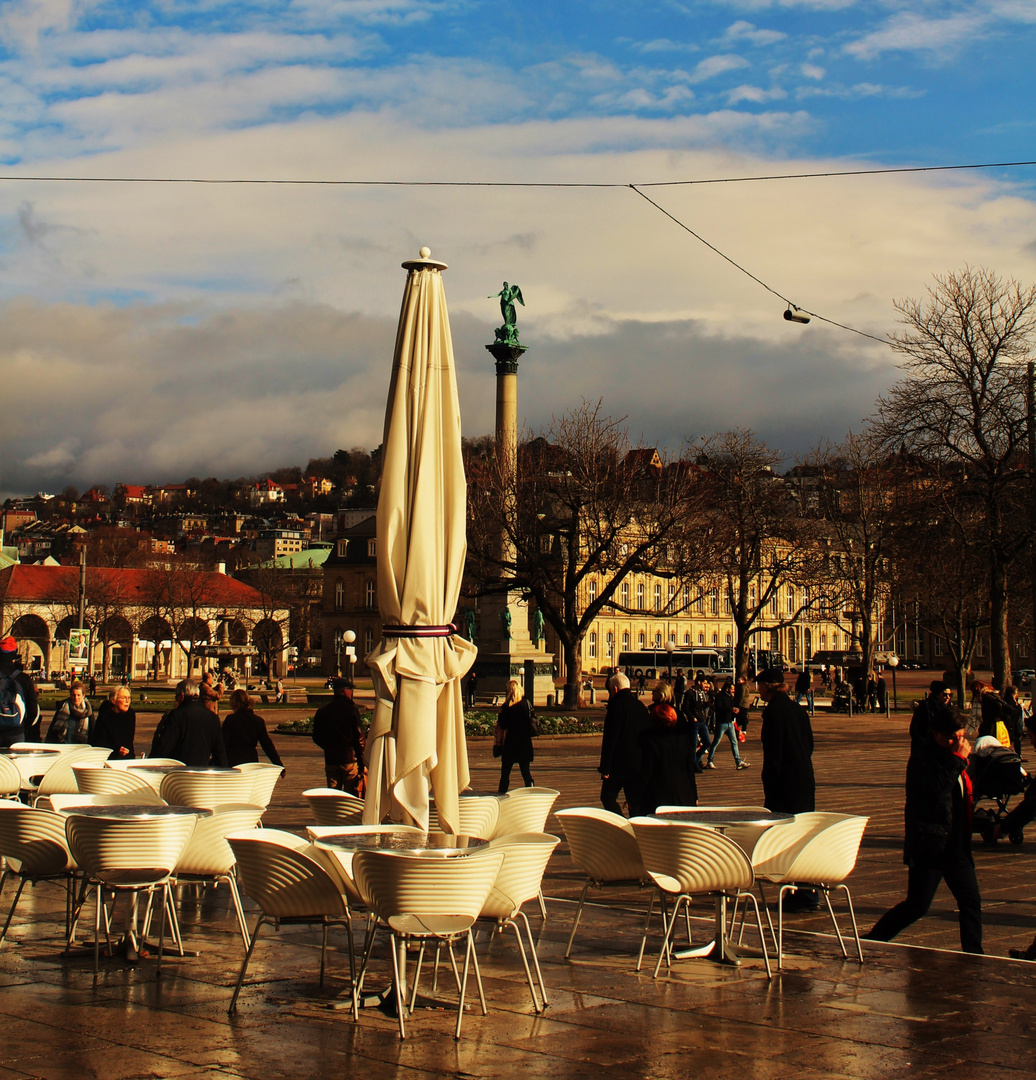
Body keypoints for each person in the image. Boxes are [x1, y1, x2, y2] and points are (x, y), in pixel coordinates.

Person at [865, 704, 982, 954]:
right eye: (951, 736)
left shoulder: (956, 758)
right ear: (936, 733)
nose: (957, 741)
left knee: (971, 901)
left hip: (956, 844)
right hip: (931, 844)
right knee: (917, 905)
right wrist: (957, 760)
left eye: (961, 736)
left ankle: (974, 953)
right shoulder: (924, 758)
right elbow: (935, 792)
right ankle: (873, 938)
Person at [598, 672, 651, 816]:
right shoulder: (640, 706)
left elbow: (610, 739)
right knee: (634, 800)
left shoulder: (616, 707)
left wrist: (605, 768)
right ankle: (637, 827)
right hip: (638, 763)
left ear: (615, 689)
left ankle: (621, 824)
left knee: (607, 797)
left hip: (619, 764)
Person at [640, 681, 698, 812]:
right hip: (683, 791)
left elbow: (646, 771)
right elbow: (689, 767)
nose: (652, 693)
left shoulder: (650, 736)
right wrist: (694, 794)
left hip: (659, 794)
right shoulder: (681, 729)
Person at [154, 678, 228, 767]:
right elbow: (220, 754)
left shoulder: (177, 715)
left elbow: (163, 749)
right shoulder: (213, 717)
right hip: (203, 773)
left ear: (181, 696)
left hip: (180, 774)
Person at [311, 679, 366, 794]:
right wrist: (362, 762)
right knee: (350, 795)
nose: (351, 693)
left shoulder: (323, 711)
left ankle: (334, 811)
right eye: (351, 690)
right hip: (349, 760)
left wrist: (329, 747)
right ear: (345, 691)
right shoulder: (352, 711)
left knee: (333, 795)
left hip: (331, 760)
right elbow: (359, 739)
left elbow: (316, 736)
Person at [221, 689, 284, 769]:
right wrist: (279, 764)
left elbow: (222, 743)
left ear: (234, 703)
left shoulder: (230, 720)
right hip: (251, 762)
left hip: (233, 761)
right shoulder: (258, 721)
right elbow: (267, 745)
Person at [0, 635, 41, 747]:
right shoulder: (23, 678)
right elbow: (32, 708)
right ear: (14, 655)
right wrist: (24, 725)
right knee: (14, 763)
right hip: (16, 731)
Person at [496, 679, 536, 793]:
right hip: (524, 742)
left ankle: (501, 793)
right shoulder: (526, 704)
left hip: (511, 743)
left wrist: (500, 715)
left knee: (505, 773)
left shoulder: (507, 707)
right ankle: (531, 791)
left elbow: (503, 725)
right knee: (526, 772)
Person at [707, 677, 749, 770]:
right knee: (716, 742)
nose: (733, 691)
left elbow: (731, 707)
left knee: (734, 742)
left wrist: (734, 712)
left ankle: (738, 762)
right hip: (722, 723)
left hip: (730, 723)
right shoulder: (720, 696)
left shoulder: (730, 697)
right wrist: (730, 709)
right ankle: (710, 760)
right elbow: (719, 708)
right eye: (732, 689)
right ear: (727, 689)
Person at [91, 685, 136, 759]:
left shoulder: (130, 714)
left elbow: (129, 741)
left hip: (127, 756)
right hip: (108, 757)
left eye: (129, 698)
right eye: (123, 698)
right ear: (113, 700)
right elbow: (99, 742)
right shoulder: (104, 715)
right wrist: (117, 750)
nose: (127, 701)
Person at [909, 681, 953, 746]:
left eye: (950, 695)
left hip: (942, 746)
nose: (948, 697)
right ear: (937, 694)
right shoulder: (925, 707)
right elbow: (915, 729)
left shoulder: (949, 709)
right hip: (925, 747)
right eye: (944, 694)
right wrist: (925, 743)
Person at [1002, 684, 1024, 756]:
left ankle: (1019, 754)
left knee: (1017, 739)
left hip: (1015, 722)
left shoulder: (1015, 700)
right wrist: (1019, 708)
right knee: (1011, 739)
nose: (1017, 694)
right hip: (1010, 723)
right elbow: (1012, 711)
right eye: (1016, 692)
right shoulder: (1008, 701)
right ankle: (1009, 754)